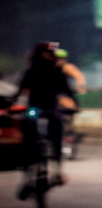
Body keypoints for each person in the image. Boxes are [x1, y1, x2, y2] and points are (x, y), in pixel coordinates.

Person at [13, 42, 75, 196]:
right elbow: (20, 92)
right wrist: (12, 105)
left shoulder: (58, 73)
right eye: (44, 52)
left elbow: (69, 92)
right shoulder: (30, 72)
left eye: (49, 53)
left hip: (52, 111)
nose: (47, 55)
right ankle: (26, 180)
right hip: (34, 111)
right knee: (26, 139)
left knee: (58, 135)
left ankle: (57, 172)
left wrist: (74, 106)